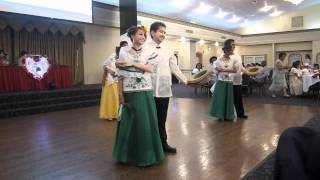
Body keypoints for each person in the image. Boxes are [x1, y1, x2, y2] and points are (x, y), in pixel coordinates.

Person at [112, 26, 164, 166]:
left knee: (145, 124)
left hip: (145, 91)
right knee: (128, 124)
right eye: (140, 34)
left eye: (144, 35)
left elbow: (150, 68)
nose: (142, 37)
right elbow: (120, 75)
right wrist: (120, 94)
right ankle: (126, 156)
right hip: (129, 92)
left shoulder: (149, 52)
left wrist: (133, 64)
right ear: (132, 36)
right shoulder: (123, 52)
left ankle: (146, 156)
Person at [145, 21, 188, 153]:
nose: (163, 34)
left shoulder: (169, 49)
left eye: (164, 32)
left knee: (162, 119)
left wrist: (185, 80)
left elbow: (175, 68)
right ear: (152, 32)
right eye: (160, 31)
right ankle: (148, 146)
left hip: (164, 90)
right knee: (148, 119)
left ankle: (163, 144)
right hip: (147, 89)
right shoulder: (144, 48)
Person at [208, 43, 238, 121]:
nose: (231, 52)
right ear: (226, 51)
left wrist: (224, 70)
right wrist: (227, 70)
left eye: (231, 50)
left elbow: (235, 70)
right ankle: (219, 115)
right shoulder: (218, 60)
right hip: (221, 81)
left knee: (229, 99)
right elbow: (217, 69)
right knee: (220, 98)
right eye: (230, 50)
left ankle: (228, 115)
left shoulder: (233, 60)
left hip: (229, 81)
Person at [99, 41, 128, 120]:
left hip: (121, 80)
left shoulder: (127, 56)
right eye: (124, 46)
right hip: (112, 80)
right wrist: (111, 71)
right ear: (120, 47)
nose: (126, 48)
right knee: (111, 98)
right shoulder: (114, 55)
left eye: (127, 46)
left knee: (118, 98)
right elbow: (104, 65)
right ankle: (110, 115)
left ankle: (118, 114)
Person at [226, 39, 248, 119]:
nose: (234, 46)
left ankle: (240, 113)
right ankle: (226, 114)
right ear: (227, 45)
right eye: (232, 44)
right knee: (228, 99)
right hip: (228, 81)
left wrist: (246, 71)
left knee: (238, 98)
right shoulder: (224, 55)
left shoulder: (238, 55)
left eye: (234, 44)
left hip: (238, 81)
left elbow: (241, 66)